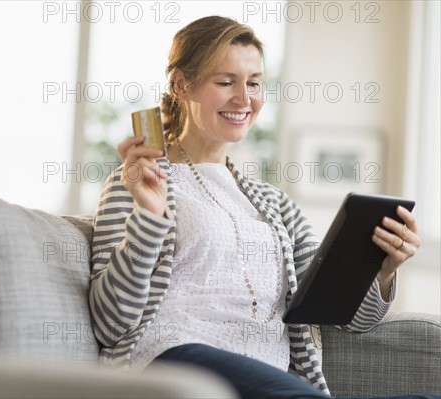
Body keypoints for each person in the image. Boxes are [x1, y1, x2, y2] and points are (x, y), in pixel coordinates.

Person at [88, 16, 435, 399]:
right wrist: (149, 219)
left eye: (253, 83)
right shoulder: (137, 182)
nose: (244, 98)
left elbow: (345, 317)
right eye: (225, 82)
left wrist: (384, 271)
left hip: (266, 372)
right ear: (181, 84)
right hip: (175, 355)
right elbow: (110, 323)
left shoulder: (274, 203)